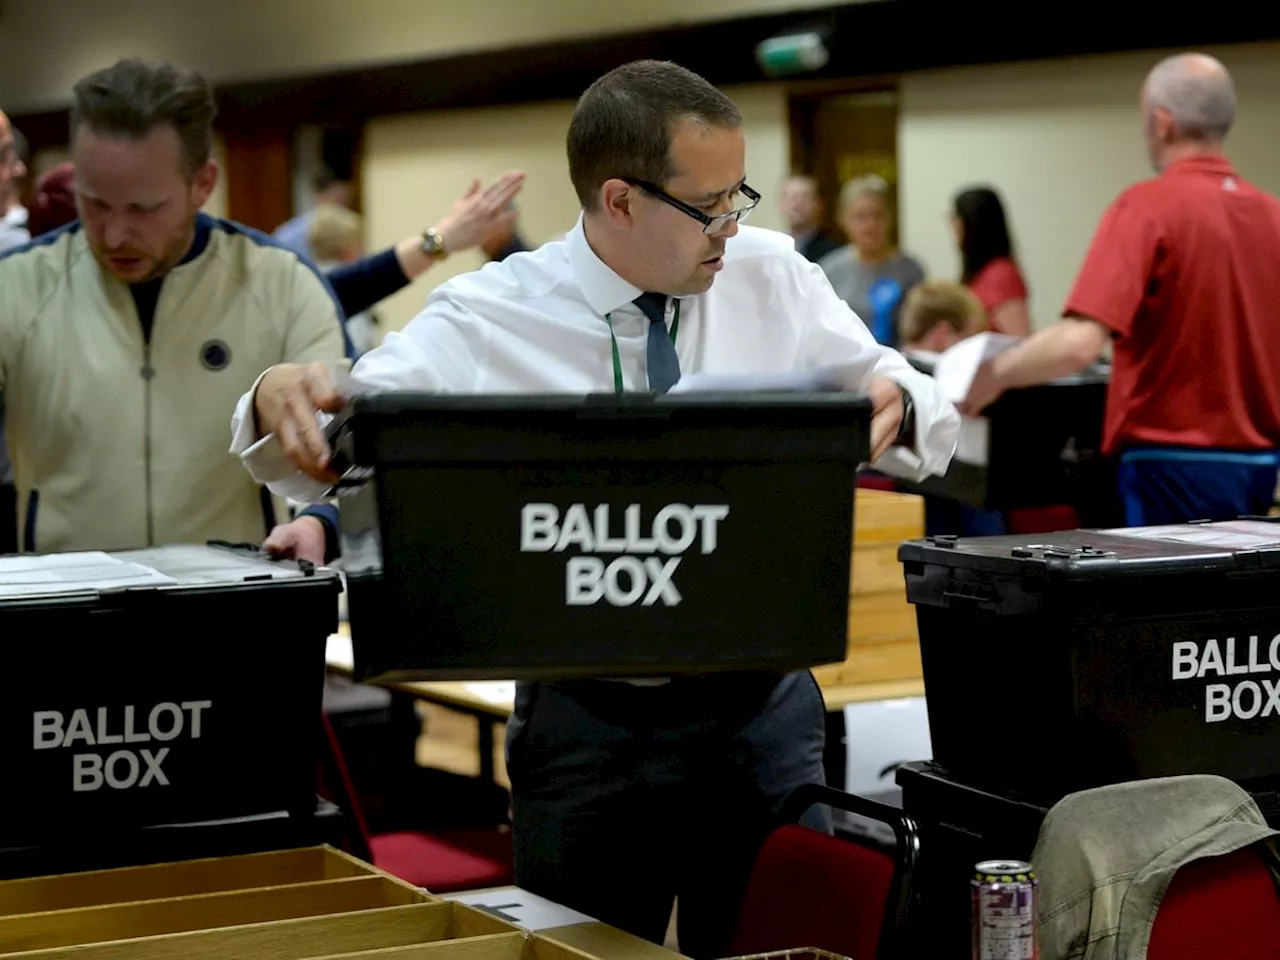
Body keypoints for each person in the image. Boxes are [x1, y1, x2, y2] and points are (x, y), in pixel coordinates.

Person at [233, 60, 957, 959]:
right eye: (711, 206)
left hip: (765, 710)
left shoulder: (772, 273)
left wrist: (898, 391)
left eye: (742, 197)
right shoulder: (488, 314)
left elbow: (927, 409)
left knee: (777, 950)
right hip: (591, 725)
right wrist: (274, 394)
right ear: (619, 199)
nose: (734, 225)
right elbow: (343, 436)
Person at [0, 58, 349, 553]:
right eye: (94, 202)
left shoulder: (283, 284)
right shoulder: (14, 287)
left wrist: (318, 522)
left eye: (144, 208)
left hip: (237, 608)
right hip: (66, 614)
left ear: (203, 184)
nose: (115, 234)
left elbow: (348, 455)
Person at [962, 52, 1280, 526]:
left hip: (1169, 464)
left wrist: (990, 374)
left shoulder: (1144, 208)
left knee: (1166, 602)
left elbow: (1078, 343)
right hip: (1261, 465)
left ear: (1161, 121)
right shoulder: (1273, 215)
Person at [819, 175, 926, 347]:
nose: (870, 224)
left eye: (877, 215)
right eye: (860, 216)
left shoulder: (911, 270)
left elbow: (922, 330)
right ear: (844, 221)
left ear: (890, 218)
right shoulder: (829, 270)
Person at [952, 186, 1031, 337]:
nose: (953, 226)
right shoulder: (977, 276)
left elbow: (1019, 338)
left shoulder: (1001, 274)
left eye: (957, 218)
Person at [273, 165, 354, 261]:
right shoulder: (292, 234)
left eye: (344, 201)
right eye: (337, 200)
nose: (341, 209)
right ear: (319, 196)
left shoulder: (348, 228)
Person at [899, 280, 985, 357]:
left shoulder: (890, 365)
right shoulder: (945, 373)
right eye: (969, 339)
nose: (973, 350)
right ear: (942, 333)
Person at [779, 174, 841, 262]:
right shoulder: (772, 246)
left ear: (819, 204)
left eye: (805, 197)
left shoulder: (832, 253)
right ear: (781, 204)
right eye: (793, 198)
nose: (798, 204)